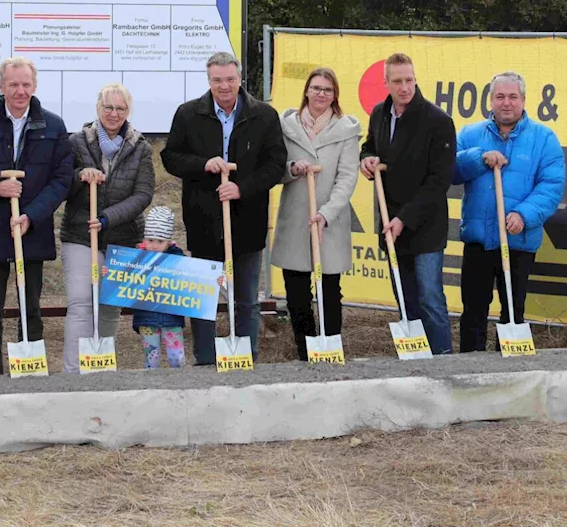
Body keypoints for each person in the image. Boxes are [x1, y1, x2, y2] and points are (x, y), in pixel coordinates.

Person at [161, 51, 287, 364]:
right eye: (217, 80)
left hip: (248, 221)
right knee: (204, 297)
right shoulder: (189, 114)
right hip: (204, 220)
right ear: (209, 80)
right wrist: (204, 164)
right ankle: (205, 358)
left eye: (230, 79)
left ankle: (247, 358)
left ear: (239, 79)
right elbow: (171, 157)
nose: (224, 86)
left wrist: (242, 187)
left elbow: (275, 165)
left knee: (246, 298)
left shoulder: (264, 116)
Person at [0, 57, 74, 375]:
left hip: (32, 229)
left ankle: (29, 373)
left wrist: (31, 216)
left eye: (25, 85)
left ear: (34, 86)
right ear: (1, 86)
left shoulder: (53, 125)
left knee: (30, 307)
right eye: (13, 84)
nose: (20, 91)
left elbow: (61, 180)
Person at [453, 71, 565, 352]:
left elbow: (551, 186)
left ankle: (513, 372)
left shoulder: (543, 138)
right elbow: (449, 171)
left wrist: (524, 215)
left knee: (513, 313)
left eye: (513, 97)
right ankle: (471, 372)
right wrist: (478, 158)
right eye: (500, 96)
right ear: (490, 100)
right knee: (473, 312)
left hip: (518, 242)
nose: (506, 103)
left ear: (524, 100)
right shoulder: (470, 135)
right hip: (478, 240)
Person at [359, 53, 456, 355]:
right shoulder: (379, 114)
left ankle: (442, 360)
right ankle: (415, 358)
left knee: (429, 298)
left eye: (409, 80)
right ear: (386, 83)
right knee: (404, 297)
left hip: (425, 225)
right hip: (390, 223)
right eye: (398, 81)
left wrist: (404, 219)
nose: (405, 87)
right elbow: (369, 146)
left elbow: (439, 181)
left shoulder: (438, 121)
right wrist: (367, 159)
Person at [58, 83, 154, 373]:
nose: (114, 114)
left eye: (120, 108)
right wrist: (79, 175)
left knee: (110, 305)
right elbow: (60, 182)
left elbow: (143, 194)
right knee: (81, 303)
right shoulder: (77, 142)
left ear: (128, 111)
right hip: (80, 235)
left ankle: (100, 368)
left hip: (122, 237)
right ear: (98, 108)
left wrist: (108, 217)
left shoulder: (140, 147)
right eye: (108, 107)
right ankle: (73, 373)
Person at [269, 67, 361, 360]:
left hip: (328, 222)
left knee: (330, 292)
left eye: (328, 90)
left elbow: (347, 177)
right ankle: (305, 352)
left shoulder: (345, 129)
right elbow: (274, 168)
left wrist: (326, 213)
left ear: (335, 96)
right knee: (297, 296)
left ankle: (331, 349)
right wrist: (291, 169)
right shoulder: (288, 127)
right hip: (296, 219)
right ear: (306, 91)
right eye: (316, 88)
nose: (321, 94)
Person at [133, 206, 188, 369]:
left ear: (169, 241)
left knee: (176, 358)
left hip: (172, 317)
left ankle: (179, 388)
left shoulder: (178, 258)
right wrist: (110, 272)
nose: (154, 246)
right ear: (144, 239)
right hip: (146, 317)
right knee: (151, 359)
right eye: (150, 240)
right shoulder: (136, 258)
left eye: (160, 241)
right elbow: (121, 276)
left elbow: (194, 278)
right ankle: (151, 389)